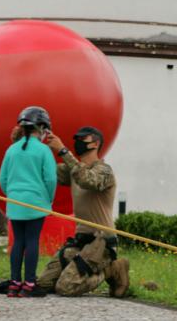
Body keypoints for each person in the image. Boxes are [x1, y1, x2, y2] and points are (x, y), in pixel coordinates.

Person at [36, 126, 129, 298]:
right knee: (43, 284)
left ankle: (113, 269)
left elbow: (87, 180)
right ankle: (80, 269)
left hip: (101, 241)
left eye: (82, 139)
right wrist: (30, 144)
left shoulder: (104, 170)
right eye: (76, 139)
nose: (77, 143)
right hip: (81, 241)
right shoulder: (74, 170)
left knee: (65, 287)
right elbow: (44, 171)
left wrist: (63, 151)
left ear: (95, 143)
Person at [0, 106, 57, 298]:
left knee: (18, 241)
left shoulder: (11, 149)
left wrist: (13, 195)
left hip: (15, 203)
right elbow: (50, 179)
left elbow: (2, 179)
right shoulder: (43, 150)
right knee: (32, 240)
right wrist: (48, 199)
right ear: (40, 127)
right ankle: (29, 284)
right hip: (36, 202)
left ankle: (14, 283)